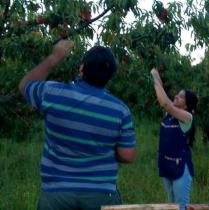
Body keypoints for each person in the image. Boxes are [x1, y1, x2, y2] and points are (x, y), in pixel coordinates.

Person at [18, 40, 136, 210]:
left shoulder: (52, 93)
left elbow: (24, 86)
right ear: (109, 76)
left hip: (56, 194)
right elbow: (128, 156)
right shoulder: (120, 110)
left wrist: (54, 57)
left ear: (82, 69)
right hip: (101, 195)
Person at [150, 68, 198, 210]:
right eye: (177, 94)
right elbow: (164, 99)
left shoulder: (187, 117)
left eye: (181, 97)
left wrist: (154, 76)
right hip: (166, 165)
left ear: (187, 105)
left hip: (180, 169)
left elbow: (165, 103)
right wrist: (157, 78)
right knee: (170, 205)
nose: (176, 96)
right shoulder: (170, 114)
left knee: (180, 207)